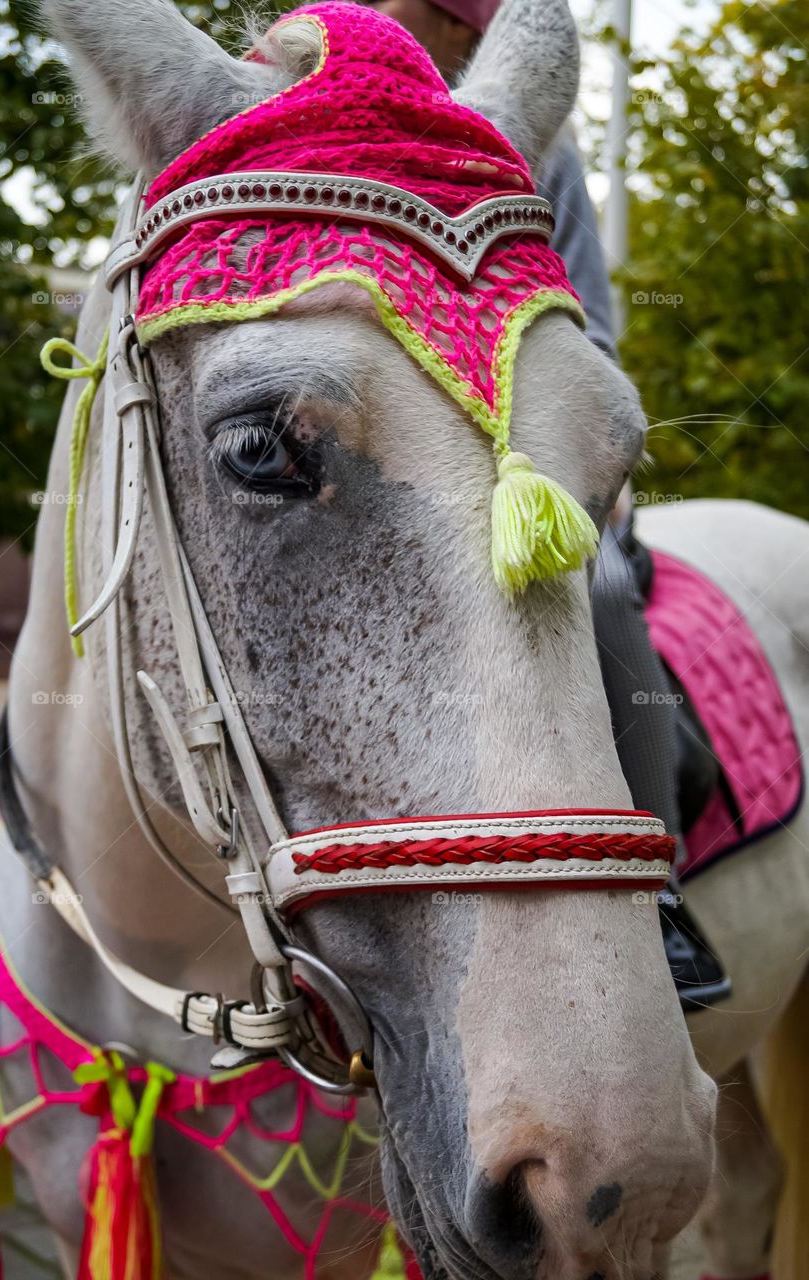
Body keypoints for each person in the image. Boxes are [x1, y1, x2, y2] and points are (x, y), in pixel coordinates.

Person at [370, 0, 731, 1009]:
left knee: (602, 587)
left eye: (431, 19)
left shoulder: (542, 159)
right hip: (372, 478)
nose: (398, 30)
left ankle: (655, 897)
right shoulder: (325, 134)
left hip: (515, 479)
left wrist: (525, 469)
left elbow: (592, 344)